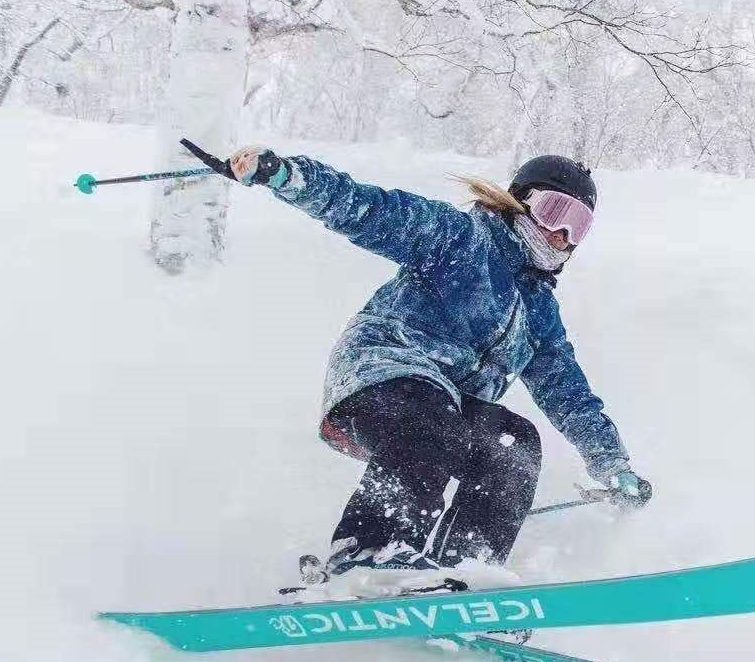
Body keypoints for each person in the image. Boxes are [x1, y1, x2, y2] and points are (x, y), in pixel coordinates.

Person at [223, 145, 648, 593]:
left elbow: (569, 395)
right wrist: (288, 176)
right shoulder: (461, 239)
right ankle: (367, 553)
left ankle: (464, 570)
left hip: (445, 410)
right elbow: (370, 210)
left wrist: (611, 463)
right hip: (382, 377)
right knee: (430, 416)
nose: (561, 233)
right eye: (554, 210)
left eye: (577, 225)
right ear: (520, 201)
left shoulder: (539, 311)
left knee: (514, 443)